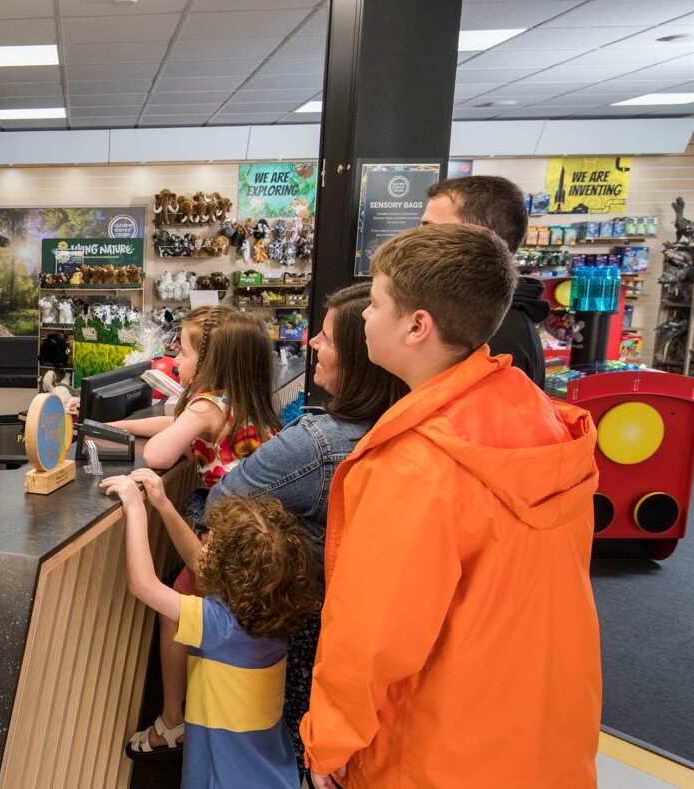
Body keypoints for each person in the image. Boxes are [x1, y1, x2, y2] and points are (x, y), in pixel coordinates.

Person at [302, 224, 601, 788]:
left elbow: (373, 634)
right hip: (542, 732)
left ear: (418, 325)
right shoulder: (539, 418)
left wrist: (331, 742)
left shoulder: (418, 464)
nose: (363, 315)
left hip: (437, 747)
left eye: (377, 303)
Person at [205, 283, 408, 777]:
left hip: (307, 632)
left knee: (298, 751)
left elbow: (221, 503)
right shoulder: (405, 428)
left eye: (328, 338)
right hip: (372, 637)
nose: (312, 343)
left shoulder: (318, 444)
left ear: (360, 358)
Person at [112, 307, 282, 758]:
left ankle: (172, 718)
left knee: (176, 607)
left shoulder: (207, 403)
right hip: (253, 535)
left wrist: (187, 405)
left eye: (183, 352)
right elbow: (174, 426)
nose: (176, 360)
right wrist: (120, 426)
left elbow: (160, 453)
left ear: (209, 364)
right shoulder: (245, 400)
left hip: (221, 539)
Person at [102, 471, 317, 789]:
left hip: (228, 778)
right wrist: (162, 504)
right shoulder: (274, 615)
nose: (204, 545)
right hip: (272, 772)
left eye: (210, 543)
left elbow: (143, 585)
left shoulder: (219, 626)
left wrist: (136, 509)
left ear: (226, 570)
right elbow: (198, 561)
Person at [421, 175, 550, 387]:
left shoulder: (498, 331)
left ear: (483, 237)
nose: (417, 238)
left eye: (431, 229)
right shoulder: (466, 312)